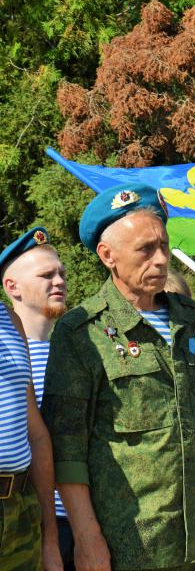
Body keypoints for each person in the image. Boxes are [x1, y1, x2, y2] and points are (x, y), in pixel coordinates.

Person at [40, 183, 195, 570]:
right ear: (108, 255)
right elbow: (67, 450)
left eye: (164, 246)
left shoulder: (190, 318)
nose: (161, 259)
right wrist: (86, 537)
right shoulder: (82, 332)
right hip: (128, 544)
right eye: (145, 249)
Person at [1, 227, 71, 569]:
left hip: (23, 505)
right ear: (11, 286)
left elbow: (37, 435)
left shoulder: (10, 323)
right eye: (46, 275)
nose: (59, 282)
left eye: (61, 274)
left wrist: (49, 540)